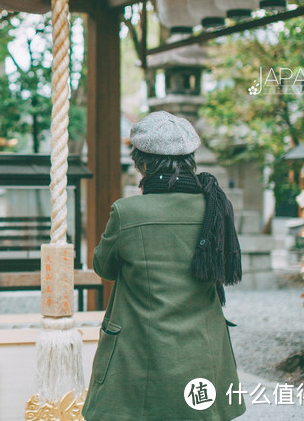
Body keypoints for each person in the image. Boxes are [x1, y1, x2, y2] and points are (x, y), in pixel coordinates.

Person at [82, 111, 246, 420]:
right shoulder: (214, 206)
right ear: (190, 160)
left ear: (142, 164)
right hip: (203, 348)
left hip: (139, 350)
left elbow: (103, 267)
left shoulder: (127, 212)